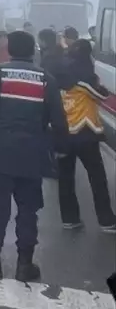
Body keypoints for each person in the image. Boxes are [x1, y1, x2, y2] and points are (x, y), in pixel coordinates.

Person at [0, 30, 67, 282]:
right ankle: (25, 265)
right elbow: (58, 119)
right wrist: (60, 148)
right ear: (33, 50)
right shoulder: (45, 79)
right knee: (28, 210)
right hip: (32, 155)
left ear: (10, 50)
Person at [55, 39, 116, 232]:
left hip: (63, 133)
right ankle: (106, 220)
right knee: (97, 178)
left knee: (65, 178)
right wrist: (98, 82)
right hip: (85, 132)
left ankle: (69, 218)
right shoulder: (84, 80)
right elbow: (103, 96)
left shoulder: (58, 76)